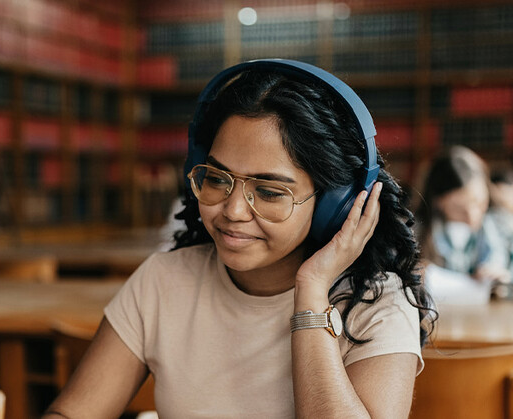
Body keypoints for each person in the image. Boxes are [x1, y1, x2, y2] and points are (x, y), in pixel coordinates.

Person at [44, 60, 434, 418]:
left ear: (338, 204)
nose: (232, 211)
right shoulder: (164, 281)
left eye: (268, 191)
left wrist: (312, 290)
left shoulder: (377, 304)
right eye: (217, 179)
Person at [415, 145, 510, 284]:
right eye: (459, 209)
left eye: (479, 202)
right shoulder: (417, 232)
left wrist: (504, 276)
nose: (472, 217)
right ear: (437, 203)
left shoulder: (502, 224)